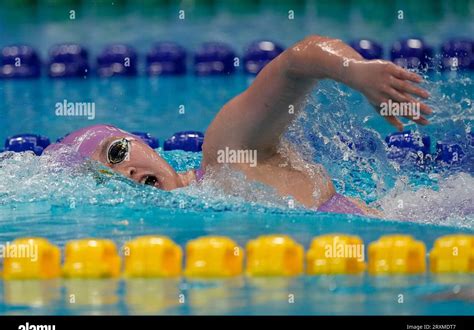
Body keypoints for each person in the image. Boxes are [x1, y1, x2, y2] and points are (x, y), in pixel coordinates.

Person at [45, 35, 432, 216]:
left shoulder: (225, 155)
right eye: (104, 179)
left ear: (139, 142)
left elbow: (297, 60)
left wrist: (357, 72)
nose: (125, 173)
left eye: (116, 153)